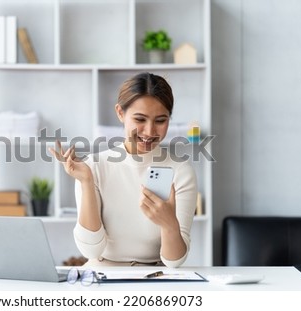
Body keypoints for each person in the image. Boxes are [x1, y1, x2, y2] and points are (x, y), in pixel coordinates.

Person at [50, 72, 197, 268]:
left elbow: (174, 261)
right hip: (102, 275)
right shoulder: (93, 166)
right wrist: (86, 182)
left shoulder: (180, 171)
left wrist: (169, 225)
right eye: (140, 119)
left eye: (160, 120)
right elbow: (91, 251)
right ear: (120, 113)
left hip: (156, 278)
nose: (150, 131)